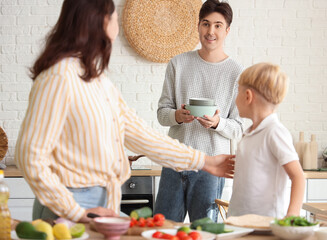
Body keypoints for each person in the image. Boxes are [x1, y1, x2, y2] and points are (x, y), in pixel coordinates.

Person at [14, 0, 235, 223]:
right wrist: (76, 212)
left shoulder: (97, 80)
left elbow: (141, 136)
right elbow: (30, 157)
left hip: (99, 203)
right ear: (101, 22)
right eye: (115, 18)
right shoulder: (59, 77)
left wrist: (205, 161)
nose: (117, 27)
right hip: (69, 206)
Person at [154, 0, 243, 222]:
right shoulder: (178, 64)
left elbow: (240, 128)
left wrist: (217, 123)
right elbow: (162, 113)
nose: (210, 31)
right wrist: (177, 116)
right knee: (162, 231)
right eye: (205, 24)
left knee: (205, 233)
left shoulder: (237, 73)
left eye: (217, 25)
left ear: (227, 30)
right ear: (198, 26)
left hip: (211, 168)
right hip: (175, 162)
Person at [227, 62, 305, 218]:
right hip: (238, 222)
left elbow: (298, 176)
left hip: (265, 224)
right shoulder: (249, 133)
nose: (235, 99)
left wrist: (292, 214)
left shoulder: (274, 132)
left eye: (238, 92)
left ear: (248, 96)